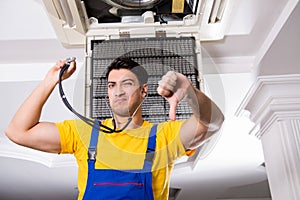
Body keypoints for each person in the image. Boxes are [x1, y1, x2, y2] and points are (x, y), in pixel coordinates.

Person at [5, 56, 224, 200]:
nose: (118, 91)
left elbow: (213, 122)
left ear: (143, 91)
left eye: (127, 83)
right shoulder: (84, 133)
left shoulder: (163, 137)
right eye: (112, 85)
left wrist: (188, 90)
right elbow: (18, 132)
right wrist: (49, 82)